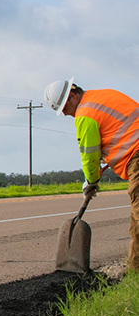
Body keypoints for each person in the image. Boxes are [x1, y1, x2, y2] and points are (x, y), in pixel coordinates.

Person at [44, 78, 139, 271]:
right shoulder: (103, 95)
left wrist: (91, 181)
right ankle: (135, 270)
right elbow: (123, 131)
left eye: (63, 107)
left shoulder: (85, 114)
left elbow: (89, 156)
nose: (64, 113)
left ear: (72, 96)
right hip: (134, 153)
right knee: (136, 221)